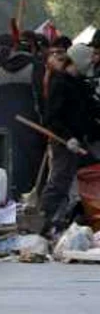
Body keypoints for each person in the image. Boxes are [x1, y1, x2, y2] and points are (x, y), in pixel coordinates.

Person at [41, 43, 99, 234]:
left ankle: (74, 217)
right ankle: (43, 221)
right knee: (60, 180)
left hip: (82, 140)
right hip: (64, 142)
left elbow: (90, 110)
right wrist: (68, 138)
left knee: (88, 177)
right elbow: (51, 118)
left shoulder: (78, 82)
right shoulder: (60, 83)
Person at [0, 37, 45, 197]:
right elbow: (40, 98)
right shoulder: (35, 67)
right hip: (32, 123)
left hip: (10, 124)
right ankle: (38, 192)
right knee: (35, 160)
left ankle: (20, 193)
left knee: (17, 160)